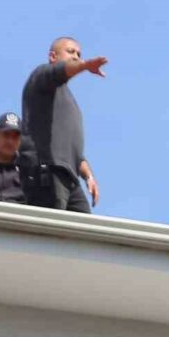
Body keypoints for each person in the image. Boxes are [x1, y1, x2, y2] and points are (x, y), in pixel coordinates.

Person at [20, 36, 108, 213]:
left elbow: (74, 151)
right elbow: (59, 72)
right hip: (47, 169)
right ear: (53, 56)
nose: (76, 56)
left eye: (79, 54)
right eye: (70, 52)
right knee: (50, 226)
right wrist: (85, 65)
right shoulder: (41, 76)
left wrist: (88, 176)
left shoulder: (68, 99)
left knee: (83, 227)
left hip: (69, 176)